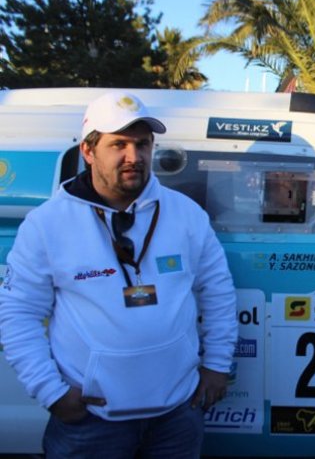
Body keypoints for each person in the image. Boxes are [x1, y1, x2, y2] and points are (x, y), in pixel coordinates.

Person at [0, 91, 238, 458]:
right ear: (89, 151)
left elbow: (217, 291)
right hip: (90, 423)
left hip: (177, 415)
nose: (134, 157)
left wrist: (217, 366)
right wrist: (52, 393)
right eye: (119, 144)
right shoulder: (47, 225)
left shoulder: (186, 215)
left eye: (143, 144)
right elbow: (17, 314)